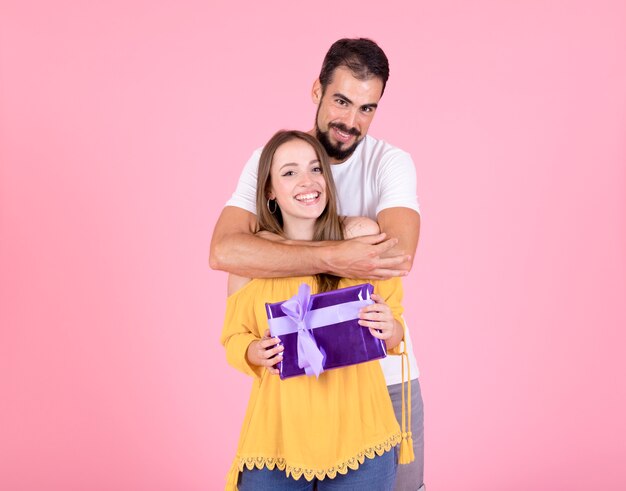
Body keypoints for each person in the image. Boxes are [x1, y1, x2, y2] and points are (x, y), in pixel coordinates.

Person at [211, 38, 425, 491]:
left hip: (375, 382)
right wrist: (334, 252)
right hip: (292, 405)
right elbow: (224, 251)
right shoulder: (270, 158)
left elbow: (396, 257)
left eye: (367, 108)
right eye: (342, 101)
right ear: (317, 91)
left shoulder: (390, 164)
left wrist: (329, 238)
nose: (351, 122)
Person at [222, 130, 410, 490]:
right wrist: (252, 351)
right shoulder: (248, 257)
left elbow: (395, 327)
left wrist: (390, 327)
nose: (307, 182)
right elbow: (233, 336)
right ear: (269, 190)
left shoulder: (361, 238)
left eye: (315, 169)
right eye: (289, 172)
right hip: (277, 440)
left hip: (363, 435)